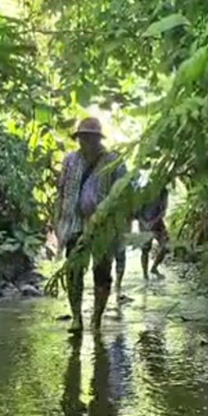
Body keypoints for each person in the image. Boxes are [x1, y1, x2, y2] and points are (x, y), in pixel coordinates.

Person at [56, 116, 128, 333]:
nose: (86, 141)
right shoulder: (70, 160)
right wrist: (58, 222)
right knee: (74, 272)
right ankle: (77, 317)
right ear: (78, 138)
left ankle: (96, 318)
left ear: (98, 139)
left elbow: (123, 195)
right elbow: (61, 192)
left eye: (90, 137)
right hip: (74, 225)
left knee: (102, 273)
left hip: (102, 229)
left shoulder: (114, 161)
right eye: (82, 137)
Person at [136, 184, 169, 279]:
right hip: (144, 222)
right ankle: (145, 274)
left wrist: (154, 221)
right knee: (145, 249)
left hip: (158, 223)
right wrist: (144, 223)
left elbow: (163, 210)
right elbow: (137, 211)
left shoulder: (163, 190)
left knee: (165, 245)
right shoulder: (142, 191)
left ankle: (154, 268)